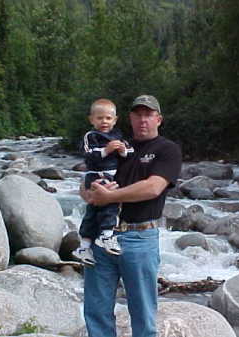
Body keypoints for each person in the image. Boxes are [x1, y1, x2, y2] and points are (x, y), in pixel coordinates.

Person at [81, 95, 182, 337]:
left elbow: (153, 187)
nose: (142, 120)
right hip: (101, 236)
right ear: (130, 118)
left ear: (159, 119)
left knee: (143, 313)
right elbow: (88, 178)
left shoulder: (167, 150)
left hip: (139, 237)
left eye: (148, 114)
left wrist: (110, 198)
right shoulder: (117, 145)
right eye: (138, 114)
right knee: (96, 310)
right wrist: (89, 194)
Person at [73, 98, 134, 267]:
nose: (104, 122)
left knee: (93, 210)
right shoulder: (90, 136)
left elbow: (130, 153)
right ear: (91, 120)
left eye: (108, 118)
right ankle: (106, 235)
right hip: (96, 174)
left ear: (115, 120)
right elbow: (87, 154)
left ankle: (84, 245)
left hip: (111, 174)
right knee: (111, 204)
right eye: (99, 118)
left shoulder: (117, 136)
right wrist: (106, 151)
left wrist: (123, 151)